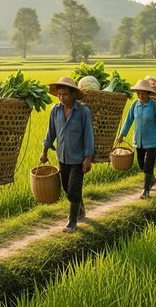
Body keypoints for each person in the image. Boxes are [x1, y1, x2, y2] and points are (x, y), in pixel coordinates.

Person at [40, 77, 95, 233]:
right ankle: (81, 209)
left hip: (78, 158)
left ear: (73, 95)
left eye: (65, 94)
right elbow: (50, 132)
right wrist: (44, 151)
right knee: (67, 188)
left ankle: (72, 220)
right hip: (62, 157)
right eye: (59, 95)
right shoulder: (55, 110)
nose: (61, 98)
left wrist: (88, 158)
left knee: (73, 190)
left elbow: (89, 135)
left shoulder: (83, 111)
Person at [117, 79, 156, 199]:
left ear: (148, 93)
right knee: (142, 165)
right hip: (139, 141)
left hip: (152, 141)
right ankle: (151, 179)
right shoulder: (134, 105)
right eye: (138, 93)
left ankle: (145, 190)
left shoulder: (155, 105)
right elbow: (128, 120)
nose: (140, 95)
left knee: (148, 165)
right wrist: (122, 135)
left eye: (143, 93)